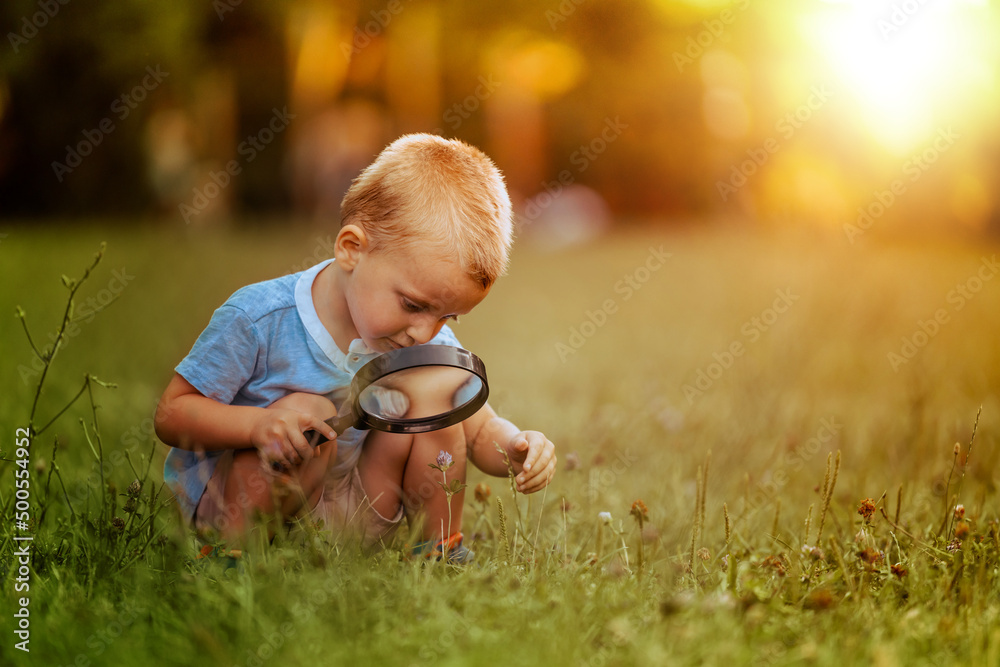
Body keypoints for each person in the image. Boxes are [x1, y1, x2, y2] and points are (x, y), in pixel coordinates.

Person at [156, 134, 557, 561]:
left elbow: (475, 429)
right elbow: (173, 413)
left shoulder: (421, 338)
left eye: (447, 317)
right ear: (352, 250)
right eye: (412, 305)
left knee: (436, 412)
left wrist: (515, 448)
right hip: (244, 506)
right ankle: (226, 558)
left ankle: (438, 551)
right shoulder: (260, 318)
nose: (425, 333)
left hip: (351, 511)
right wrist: (257, 426)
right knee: (311, 413)